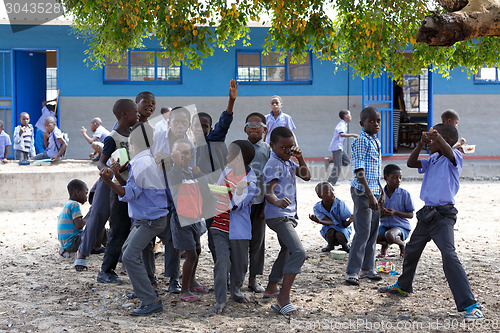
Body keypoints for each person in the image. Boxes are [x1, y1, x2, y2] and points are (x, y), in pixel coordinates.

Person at [379, 124, 484, 322]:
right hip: (426, 214)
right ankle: (403, 286)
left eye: (433, 139)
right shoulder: (433, 159)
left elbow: (448, 150)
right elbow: (411, 163)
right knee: (411, 249)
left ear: (444, 140)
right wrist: (420, 143)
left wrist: (440, 139)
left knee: (449, 256)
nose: (430, 142)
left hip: (443, 215)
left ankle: (471, 305)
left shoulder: (454, 158)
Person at [99, 123, 167, 316]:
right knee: (128, 252)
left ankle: (150, 300)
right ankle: (144, 290)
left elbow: (128, 193)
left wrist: (108, 180)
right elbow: (134, 189)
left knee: (129, 256)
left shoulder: (140, 163)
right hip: (148, 216)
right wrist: (118, 175)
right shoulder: (145, 160)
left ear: (131, 142)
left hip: (150, 219)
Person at [74, 99, 138, 276]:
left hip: (126, 184)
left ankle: (123, 257)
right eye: (135, 111)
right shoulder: (112, 137)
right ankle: (82, 252)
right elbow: (101, 161)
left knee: (125, 221)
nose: (138, 114)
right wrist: (108, 171)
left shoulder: (135, 135)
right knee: (98, 216)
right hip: (109, 182)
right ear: (125, 115)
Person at [262, 126, 311, 318]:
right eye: (283, 148)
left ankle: (272, 286)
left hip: (289, 214)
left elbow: (307, 176)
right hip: (278, 215)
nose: (287, 151)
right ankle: (283, 298)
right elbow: (268, 191)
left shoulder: (288, 162)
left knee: (287, 249)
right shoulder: (273, 164)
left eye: (290, 148)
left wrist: (299, 157)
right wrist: (277, 201)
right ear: (272, 145)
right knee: (298, 251)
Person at [190, 79, 238, 264]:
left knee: (216, 237)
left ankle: (223, 274)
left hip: (214, 196)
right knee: (192, 240)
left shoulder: (214, 140)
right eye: (197, 126)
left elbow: (224, 122)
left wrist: (231, 101)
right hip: (194, 197)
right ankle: (190, 278)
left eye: (205, 126)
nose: (201, 129)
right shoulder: (185, 148)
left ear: (210, 129)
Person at [210, 140, 257, 314]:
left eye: (229, 153)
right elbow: (217, 191)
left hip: (238, 229)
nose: (226, 156)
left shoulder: (250, 180)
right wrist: (215, 192)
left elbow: (238, 205)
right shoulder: (226, 171)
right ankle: (220, 300)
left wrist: (236, 192)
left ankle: (236, 291)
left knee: (240, 265)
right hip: (219, 226)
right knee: (222, 263)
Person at [151, 106, 194, 294]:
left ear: (189, 125)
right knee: (149, 235)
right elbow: (150, 159)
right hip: (155, 191)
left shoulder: (189, 142)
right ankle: (149, 276)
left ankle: (174, 278)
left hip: (177, 195)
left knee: (173, 237)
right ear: (168, 122)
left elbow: (190, 168)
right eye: (176, 121)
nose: (179, 125)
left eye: (184, 122)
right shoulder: (157, 137)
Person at [344, 106, 384, 286]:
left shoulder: (376, 141)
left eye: (378, 121)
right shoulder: (361, 141)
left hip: (374, 190)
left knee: (373, 231)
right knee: (362, 231)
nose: (375, 124)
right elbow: (359, 170)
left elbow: (375, 169)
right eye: (371, 121)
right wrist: (369, 194)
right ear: (362, 123)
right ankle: (352, 271)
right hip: (363, 191)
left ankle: (368, 268)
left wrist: (380, 191)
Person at [167, 138, 210, 302]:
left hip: (195, 218)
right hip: (181, 220)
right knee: (190, 254)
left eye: (186, 153)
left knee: (197, 251)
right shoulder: (174, 173)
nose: (182, 156)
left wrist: (200, 174)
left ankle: (191, 281)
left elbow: (205, 191)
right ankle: (184, 289)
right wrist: (177, 164)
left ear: (192, 155)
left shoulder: (192, 172)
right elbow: (175, 178)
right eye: (178, 153)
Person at [244, 112, 270, 293]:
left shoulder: (268, 150)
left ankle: (253, 279)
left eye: (258, 124)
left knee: (257, 242)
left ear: (265, 129)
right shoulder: (239, 148)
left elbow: (271, 179)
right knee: (237, 241)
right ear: (244, 128)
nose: (254, 126)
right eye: (250, 124)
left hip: (260, 202)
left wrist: (267, 204)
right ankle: (235, 277)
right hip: (240, 203)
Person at [57, 179, 107, 258]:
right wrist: (91, 213)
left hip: (66, 244)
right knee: (99, 226)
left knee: (100, 229)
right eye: (85, 193)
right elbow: (79, 225)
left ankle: (103, 246)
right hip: (72, 243)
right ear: (78, 192)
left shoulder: (68, 204)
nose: (86, 197)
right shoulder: (74, 204)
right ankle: (97, 248)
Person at [377, 164, 414, 258]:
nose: (399, 181)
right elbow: (376, 213)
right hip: (385, 226)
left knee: (390, 235)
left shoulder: (404, 194)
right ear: (386, 178)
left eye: (400, 178)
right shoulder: (380, 194)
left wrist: (395, 212)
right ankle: (384, 246)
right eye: (395, 178)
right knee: (372, 236)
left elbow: (411, 215)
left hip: (401, 227)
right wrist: (381, 213)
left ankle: (402, 245)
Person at [309, 182, 353, 253]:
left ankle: (345, 246)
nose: (333, 193)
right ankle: (330, 245)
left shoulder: (340, 203)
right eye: (329, 192)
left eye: (333, 190)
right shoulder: (317, 207)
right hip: (329, 228)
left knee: (339, 234)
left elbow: (344, 224)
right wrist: (320, 221)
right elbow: (330, 222)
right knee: (330, 230)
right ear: (320, 196)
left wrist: (350, 220)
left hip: (342, 228)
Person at [324, 109, 358, 185]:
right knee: (338, 166)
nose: (351, 116)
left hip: (340, 147)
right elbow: (341, 134)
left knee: (347, 161)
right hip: (337, 147)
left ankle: (329, 161)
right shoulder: (341, 124)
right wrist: (353, 135)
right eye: (350, 114)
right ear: (346, 116)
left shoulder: (344, 124)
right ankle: (330, 182)